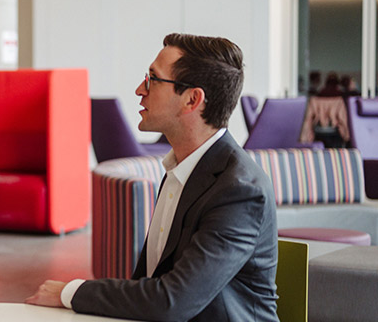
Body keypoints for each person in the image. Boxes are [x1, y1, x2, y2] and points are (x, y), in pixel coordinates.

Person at [26, 33, 279, 321]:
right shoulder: (183, 169)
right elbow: (151, 281)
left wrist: (70, 293)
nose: (139, 89)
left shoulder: (239, 190)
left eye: (152, 79)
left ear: (192, 100)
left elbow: (172, 301)